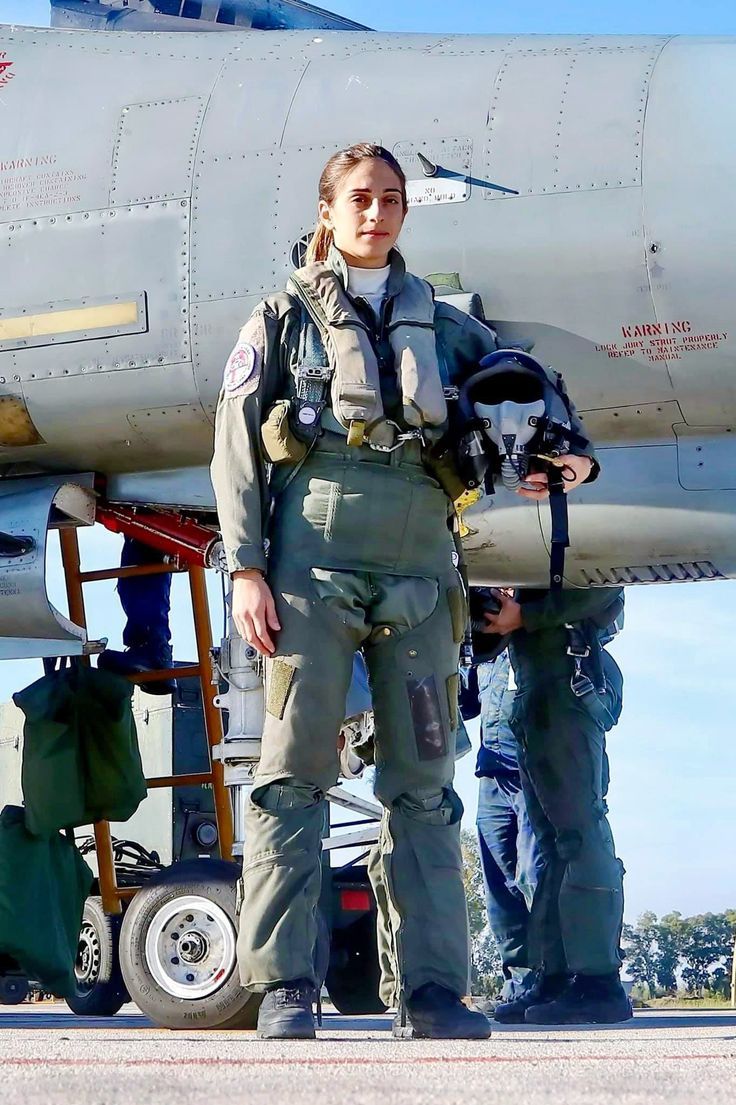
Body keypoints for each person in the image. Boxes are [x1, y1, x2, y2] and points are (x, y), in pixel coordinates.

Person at [209, 142, 597, 1040]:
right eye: (359, 198)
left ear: (404, 214)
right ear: (329, 210)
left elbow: (532, 394)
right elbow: (233, 450)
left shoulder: (446, 326)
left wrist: (565, 456)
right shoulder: (279, 320)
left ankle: (430, 991)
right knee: (293, 776)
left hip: (421, 568)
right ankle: (286, 986)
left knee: (424, 782)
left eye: (390, 199)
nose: (375, 213)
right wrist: (247, 570)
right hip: (312, 561)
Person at [483, 586, 630, 1025]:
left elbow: (605, 586)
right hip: (535, 694)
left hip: (566, 685)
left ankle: (599, 981)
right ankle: (557, 975)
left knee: (580, 835)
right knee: (553, 846)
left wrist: (524, 616)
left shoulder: (574, 528)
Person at [465, 648, 542, 1007]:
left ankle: (553, 975)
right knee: (499, 884)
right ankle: (519, 983)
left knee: (535, 874)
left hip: (536, 772)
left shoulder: (546, 633)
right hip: (492, 774)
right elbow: (462, 700)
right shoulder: (487, 653)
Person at [97, 536, 176, 695]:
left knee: (142, 569)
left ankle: (153, 651)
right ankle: (152, 650)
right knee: (133, 578)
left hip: (151, 522)